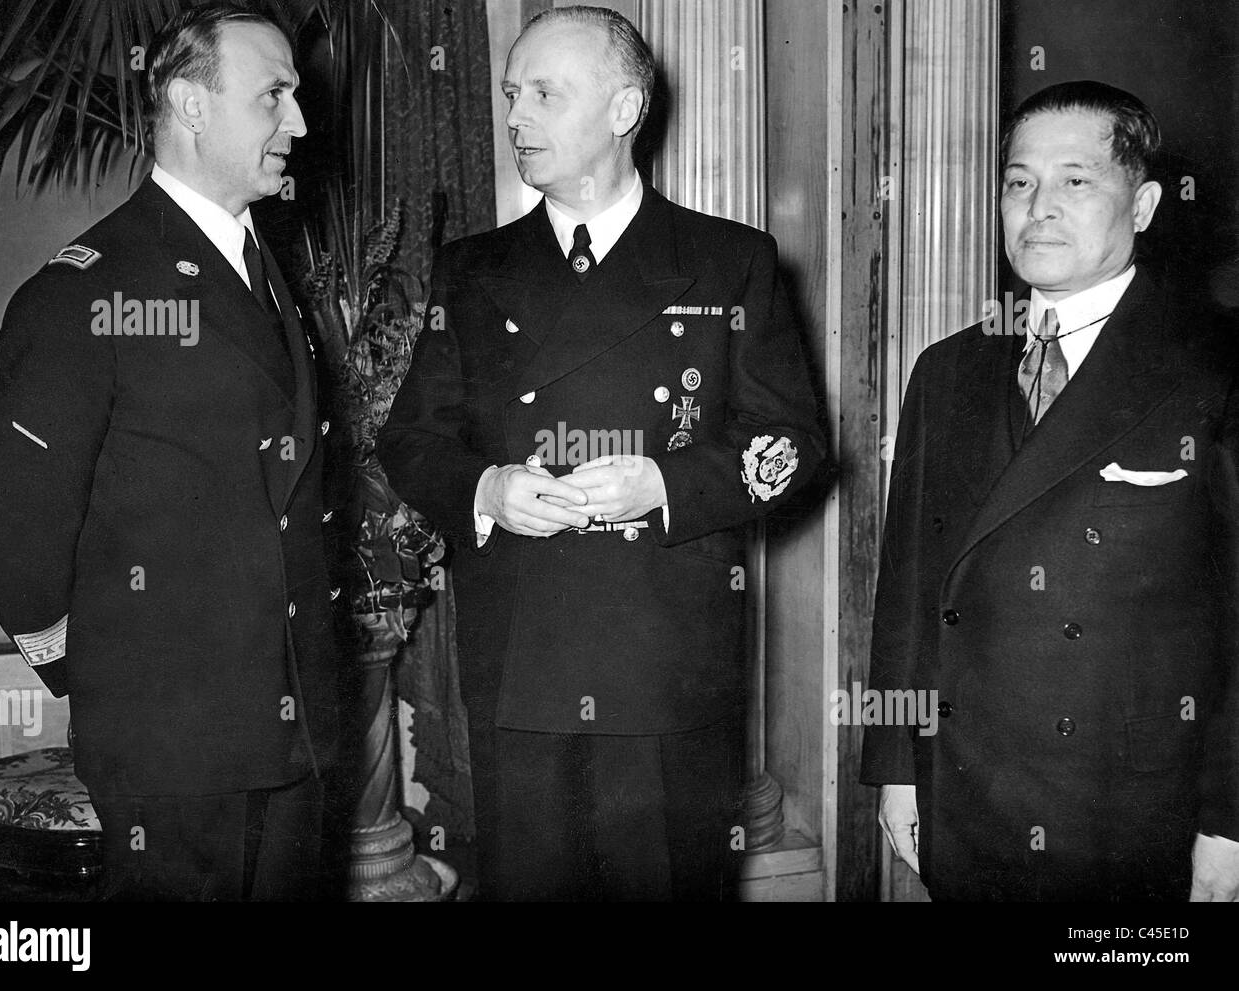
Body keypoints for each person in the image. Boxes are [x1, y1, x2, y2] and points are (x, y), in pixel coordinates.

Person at [379, 5, 824, 901]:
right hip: (521, 669)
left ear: (624, 109)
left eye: (546, 94)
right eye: (512, 95)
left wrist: (666, 481)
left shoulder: (728, 261)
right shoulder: (472, 270)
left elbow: (794, 450)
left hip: (666, 672)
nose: (516, 119)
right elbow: (409, 441)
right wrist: (487, 487)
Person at [0, 3, 339, 900]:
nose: (298, 121)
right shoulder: (84, 291)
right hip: (171, 745)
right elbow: (17, 531)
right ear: (190, 103)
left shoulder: (259, 268)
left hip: (296, 732)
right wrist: (92, 669)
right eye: (274, 96)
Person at [861, 80, 1239, 901]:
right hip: (966, 795)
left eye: (1075, 180)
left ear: (1140, 206)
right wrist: (897, 767)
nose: (1038, 206)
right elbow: (909, 591)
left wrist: (1232, 819)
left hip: (1135, 812)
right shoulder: (948, 369)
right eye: (1018, 182)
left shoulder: (1215, 364)